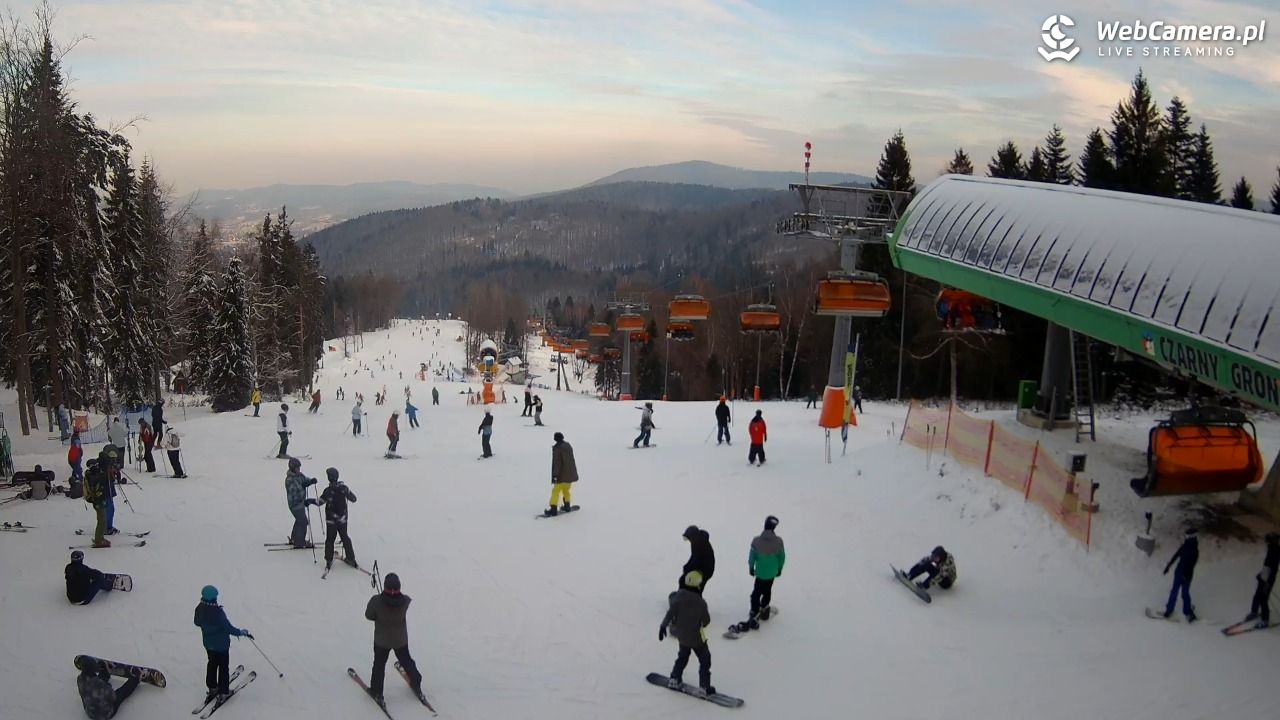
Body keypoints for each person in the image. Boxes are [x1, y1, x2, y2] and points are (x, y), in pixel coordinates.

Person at [364, 572, 424, 707]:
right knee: (406, 660)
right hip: (400, 640)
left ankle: (377, 691)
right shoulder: (405, 602)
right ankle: (416, 680)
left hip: (382, 641)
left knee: (379, 665)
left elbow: (369, 615)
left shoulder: (376, 601)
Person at [658, 570, 715, 696]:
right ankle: (704, 686)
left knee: (683, 656)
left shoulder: (678, 597)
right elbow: (706, 621)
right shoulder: (701, 603)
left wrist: (663, 626)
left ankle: (674, 678)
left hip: (681, 635)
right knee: (705, 659)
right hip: (696, 638)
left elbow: (670, 613)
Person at [193, 585, 251, 704]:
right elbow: (228, 628)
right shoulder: (217, 613)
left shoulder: (199, 608)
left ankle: (212, 688)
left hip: (209, 644)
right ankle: (223, 692)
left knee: (212, 664)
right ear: (213, 598)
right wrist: (241, 632)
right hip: (221, 646)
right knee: (223, 667)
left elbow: (197, 622)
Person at [744, 516, 785, 628]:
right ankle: (765, 610)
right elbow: (781, 558)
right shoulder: (779, 542)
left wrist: (751, 567)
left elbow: (752, 557)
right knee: (767, 590)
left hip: (760, 573)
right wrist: (779, 569)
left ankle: (754, 612)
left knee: (756, 594)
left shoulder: (756, 541)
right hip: (772, 573)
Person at [77, 655, 142, 720]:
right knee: (122, 692)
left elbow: (92, 686)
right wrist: (107, 685)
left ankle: (104, 672)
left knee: (99, 680)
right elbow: (112, 696)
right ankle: (135, 679)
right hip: (105, 714)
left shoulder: (80, 679)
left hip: (90, 712)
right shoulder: (99, 685)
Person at [318, 467, 358, 570]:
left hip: (331, 521)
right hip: (342, 519)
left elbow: (320, 502)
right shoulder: (343, 488)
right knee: (345, 537)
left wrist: (308, 501)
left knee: (330, 539)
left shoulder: (328, 491)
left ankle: (328, 559)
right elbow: (353, 499)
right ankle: (351, 558)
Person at [1162, 528, 1199, 621]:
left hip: (1187, 575)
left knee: (1185, 593)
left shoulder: (1195, 551)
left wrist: (1186, 574)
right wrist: (1168, 566)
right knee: (1174, 591)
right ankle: (1169, 610)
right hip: (1179, 572)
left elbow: (1192, 564)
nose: (1185, 538)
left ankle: (1188, 612)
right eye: (1185, 536)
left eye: (1187, 536)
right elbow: (1176, 555)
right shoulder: (1184, 546)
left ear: (1192, 537)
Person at [1245, 532, 1279, 628]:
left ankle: (1265, 620)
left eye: (1268, 540)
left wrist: (1266, 580)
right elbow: (1266, 566)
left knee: (1263, 598)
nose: (1266, 543)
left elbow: (1272, 568)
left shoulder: (1275, 551)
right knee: (1257, 595)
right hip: (1264, 578)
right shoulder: (1271, 549)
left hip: (1268, 580)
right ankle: (1254, 612)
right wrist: (1261, 575)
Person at [285, 458, 319, 549]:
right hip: (295, 504)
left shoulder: (299, 475)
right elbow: (296, 492)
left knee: (300, 520)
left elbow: (304, 480)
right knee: (303, 521)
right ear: (292, 468)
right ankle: (300, 542)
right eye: (297, 468)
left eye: (299, 467)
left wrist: (310, 481)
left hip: (300, 503)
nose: (299, 469)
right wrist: (304, 501)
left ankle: (294, 538)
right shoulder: (289, 480)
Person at [544, 432, 578, 516]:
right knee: (566, 490)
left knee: (555, 491)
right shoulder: (568, 446)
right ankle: (567, 506)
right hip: (570, 474)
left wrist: (555, 475)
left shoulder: (557, 449)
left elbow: (557, 463)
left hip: (561, 476)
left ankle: (553, 509)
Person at [84, 455, 112, 548]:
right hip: (97, 500)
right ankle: (98, 539)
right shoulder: (92, 476)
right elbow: (100, 480)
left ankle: (100, 537)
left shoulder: (93, 474)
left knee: (102, 519)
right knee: (102, 520)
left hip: (99, 499)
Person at [680, 526, 715, 592]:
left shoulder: (699, 543)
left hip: (705, 571)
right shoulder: (697, 540)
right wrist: (687, 566)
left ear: (692, 536)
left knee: (688, 582)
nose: (689, 540)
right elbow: (693, 557)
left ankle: (689, 599)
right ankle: (686, 597)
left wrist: (687, 568)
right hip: (701, 567)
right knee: (686, 580)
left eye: (688, 538)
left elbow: (695, 560)